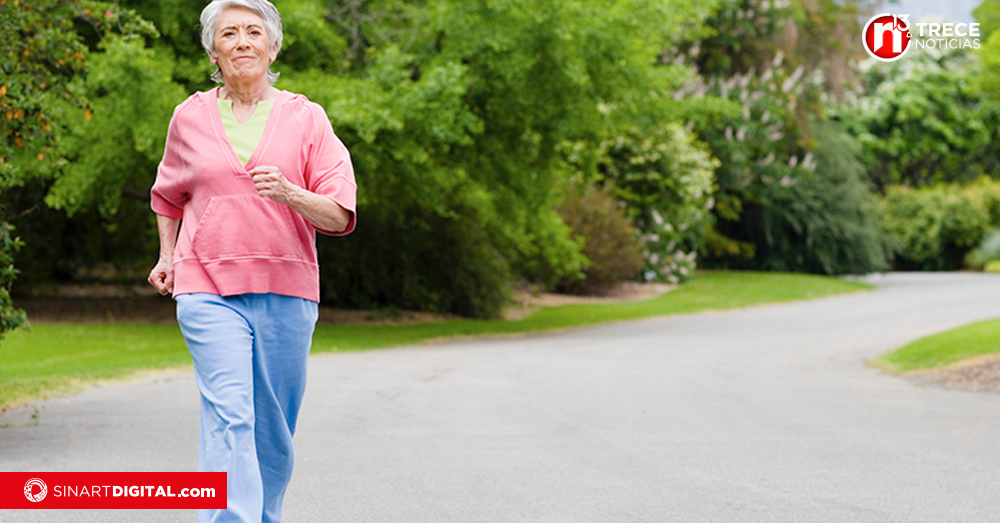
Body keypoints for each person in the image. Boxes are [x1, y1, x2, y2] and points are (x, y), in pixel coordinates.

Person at [147, 1, 356, 521]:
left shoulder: (307, 118)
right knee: (230, 416)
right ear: (212, 51)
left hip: (287, 290)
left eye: (253, 32)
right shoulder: (189, 116)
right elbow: (168, 195)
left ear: (273, 45)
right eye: (229, 33)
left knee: (272, 432)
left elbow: (338, 213)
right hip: (207, 287)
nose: (242, 41)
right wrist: (167, 255)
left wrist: (291, 193)